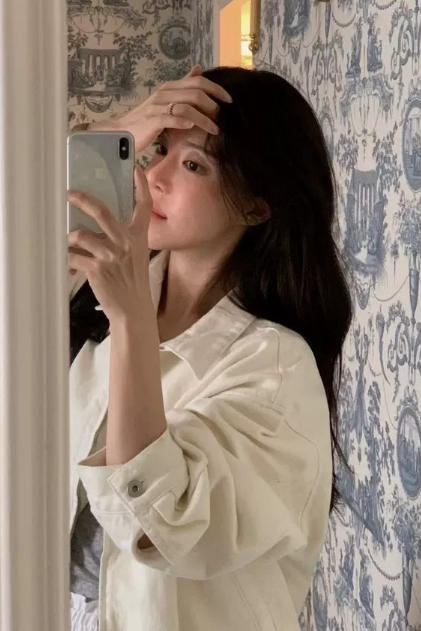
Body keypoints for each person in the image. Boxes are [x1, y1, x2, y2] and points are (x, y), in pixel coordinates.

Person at [67, 64, 353, 631]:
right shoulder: (93, 302)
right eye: (159, 150)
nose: (154, 176)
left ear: (256, 206)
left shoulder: (275, 367)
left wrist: (131, 321)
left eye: (193, 164)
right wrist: (114, 129)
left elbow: (155, 525)